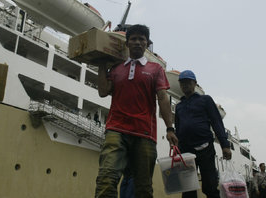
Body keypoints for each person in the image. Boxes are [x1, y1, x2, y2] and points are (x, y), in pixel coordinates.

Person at [94, 24, 178, 198]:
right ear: (127, 43)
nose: (138, 42)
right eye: (133, 39)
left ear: (147, 44)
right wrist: (102, 65)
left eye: (142, 39)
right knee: (106, 179)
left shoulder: (156, 69)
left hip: (144, 133)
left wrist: (170, 128)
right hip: (116, 130)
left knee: (143, 187)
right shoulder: (116, 69)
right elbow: (103, 92)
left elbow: (162, 98)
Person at [174, 70, 232, 198]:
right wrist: (177, 149)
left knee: (210, 187)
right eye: (182, 83)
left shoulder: (205, 100)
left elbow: (217, 122)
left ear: (195, 83)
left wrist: (225, 145)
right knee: (188, 190)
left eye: (188, 82)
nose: (185, 85)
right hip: (186, 153)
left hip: (205, 149)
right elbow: (178, 128)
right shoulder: (179, 106)